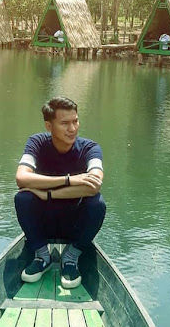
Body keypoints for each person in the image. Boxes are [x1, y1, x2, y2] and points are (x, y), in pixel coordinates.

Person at [14, 97, 105, 289]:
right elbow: (21, 178)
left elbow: (94, 185)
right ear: (49, 126)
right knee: (22, 198)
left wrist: (47, 194)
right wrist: (69, 179)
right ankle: (42, 255)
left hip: (74, 225)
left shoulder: (91, 148)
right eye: (65, 123)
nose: (72, 128)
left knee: (97, 203)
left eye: (75, 121)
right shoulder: (36, 142)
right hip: (43, 224)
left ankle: (71, 257)